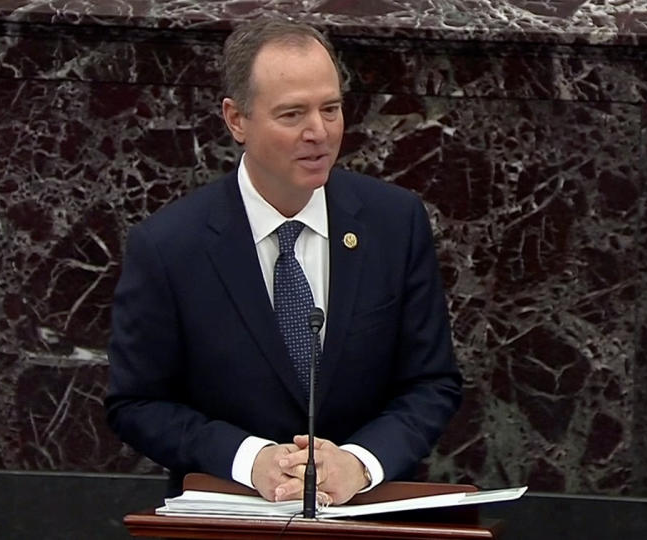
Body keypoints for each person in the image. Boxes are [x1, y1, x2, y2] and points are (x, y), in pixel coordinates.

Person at [105, 18, 462, 506]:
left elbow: (431, 382)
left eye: (331, 109)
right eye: (292, 114)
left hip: (366, 517)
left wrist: (360, 462)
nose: (319, 132)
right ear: (236, 120)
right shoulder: (169, 246)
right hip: (226, 520)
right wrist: (250, 459)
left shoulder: (394, 224)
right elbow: (137, 402)